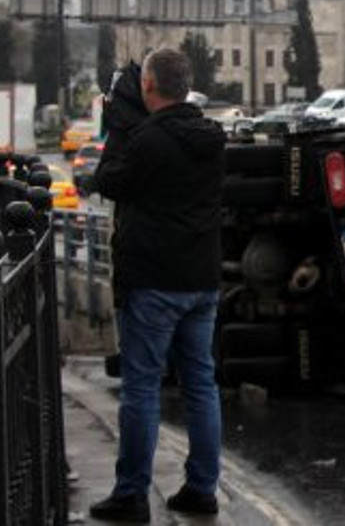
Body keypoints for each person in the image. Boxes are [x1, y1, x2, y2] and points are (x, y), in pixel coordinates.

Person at [89, 49, 228, 523]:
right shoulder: (212, 138)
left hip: (152, 282)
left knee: (142, 389)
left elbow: (108, 180)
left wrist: (118, 125)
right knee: (201, 385)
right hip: (201, 280)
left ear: (149, 85)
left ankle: (131, 494)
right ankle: (203, 488)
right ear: (185, 86)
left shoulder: (147, 141)